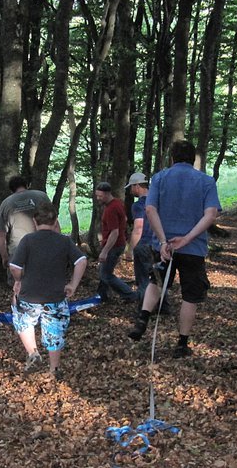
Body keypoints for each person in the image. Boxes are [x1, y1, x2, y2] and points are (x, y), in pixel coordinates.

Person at [127, 141, 221, 358]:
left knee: (156, 281)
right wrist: (187, 238)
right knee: (190, 295)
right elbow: (211, 214)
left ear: (172, 158)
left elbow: (150, 209)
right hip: (193, 248)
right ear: (193, 159)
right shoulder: (206, 181)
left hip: (165, 246)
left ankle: (143, 317)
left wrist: (162, 241)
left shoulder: (159, 178)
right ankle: (182, 343)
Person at [9, 202, 87, 376]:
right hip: (56, 297)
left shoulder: (28, 240)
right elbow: (81, 261)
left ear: (35, 222)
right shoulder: (64, 241)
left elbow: (14, 266)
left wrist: (18, 280)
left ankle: (33, 352)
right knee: (55, 330)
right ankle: (54, 368)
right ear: (55, 221)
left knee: (24, 321)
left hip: (29, 295)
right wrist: (73, 285)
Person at [125, 172, 170, 315]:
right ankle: (163, 307)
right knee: (159, 277)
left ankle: (143, 310)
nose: (131, 190)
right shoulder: (159, 201)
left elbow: (138, 228)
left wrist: (130, 249)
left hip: (144, 244)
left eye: (132, 187)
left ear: (137, 186)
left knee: (144, 279)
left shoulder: (138, 206)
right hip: (159, 244)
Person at [0, 176, 53, 275]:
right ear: (27, 185)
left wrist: (4, 257)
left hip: (18, 253)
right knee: (44, 284)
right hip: (44, 248)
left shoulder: (6, 203)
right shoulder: (41, 196)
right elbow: (54, 223)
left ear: (11, 190)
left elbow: (0, 235)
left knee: (19, 286)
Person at [94, 181, 136, 302]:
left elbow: (114, 232)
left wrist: (105, 251)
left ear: (107, 194)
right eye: (97, 195)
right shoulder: (117, 203)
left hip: (114, 245)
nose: (98, 198)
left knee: (105, 274)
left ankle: (130, 295)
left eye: (100, 196)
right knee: (104, 270)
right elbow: (125, 218)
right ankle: (102, 295)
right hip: (117, 244)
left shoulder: (111, 209)